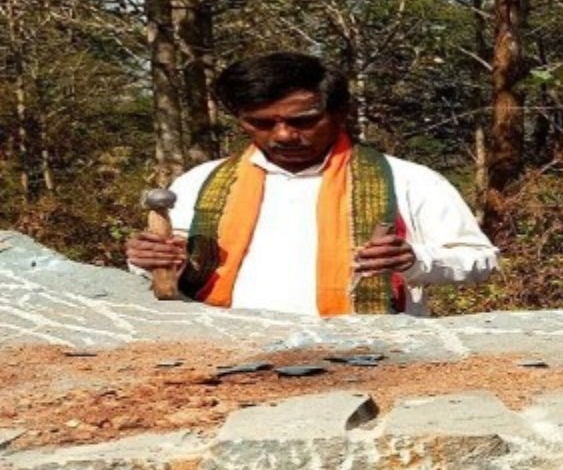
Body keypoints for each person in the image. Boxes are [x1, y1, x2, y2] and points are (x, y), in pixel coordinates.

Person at [126, 52, 497, 317]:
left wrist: (415, 260)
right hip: (227, 352)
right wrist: (149, 261)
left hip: (372, 356)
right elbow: (167, 264)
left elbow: (481, 260)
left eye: (303, 121)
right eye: (261, 123)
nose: (284, 135)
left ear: (340, 113)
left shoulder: (410, 181)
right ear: (240, 120)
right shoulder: (200, 182)